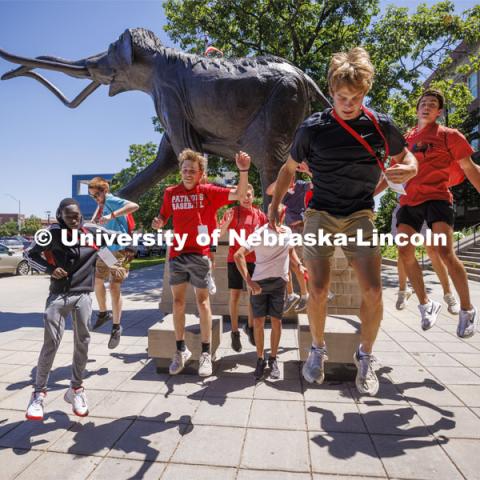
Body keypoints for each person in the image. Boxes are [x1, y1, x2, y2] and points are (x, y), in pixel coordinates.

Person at [269, 47, 417, 395]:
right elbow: (288, 169)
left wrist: (409, 168)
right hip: (320, 213)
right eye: (340, 96)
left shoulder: (381, 125)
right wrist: (274, 207)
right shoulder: (313, 127)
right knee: (317, 289)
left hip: (360, 215)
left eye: (354, 97)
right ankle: (317, 350)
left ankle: (365, 356)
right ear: (332, 92)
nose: (347, 103)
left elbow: (408, 158)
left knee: (374, 290)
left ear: (364, 94)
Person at [151, 148, 251, 377]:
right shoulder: (170, 193)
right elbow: (164, 216)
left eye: (192, 171)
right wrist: (158, 222)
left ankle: (205, 352)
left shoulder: (208, 191)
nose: (187, 174)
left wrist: (243, 170)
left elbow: (240, 194)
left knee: (202, 302)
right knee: (177, 303)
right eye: (184, 170)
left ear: (200, 173)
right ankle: (181, 349)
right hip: (177, 254)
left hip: (200, 254)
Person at [392, 90, 480, 336]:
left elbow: (470, 169)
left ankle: (467, 309)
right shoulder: (405, 139)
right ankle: (426, 303)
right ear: (417, 109)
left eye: (432, 104)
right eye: (423, 103)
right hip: (409, 201)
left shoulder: (448, 135)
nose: (427, 106)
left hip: (437, 198)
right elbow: (391, 173)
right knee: (404, 251)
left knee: (444, 252)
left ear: (439, 112)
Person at [23, 198, 107, 420]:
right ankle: (38, 394)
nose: (74, 219)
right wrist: (50, 269)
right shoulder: (50, 234)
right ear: (60, 216)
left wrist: (116, 265)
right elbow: (29, 255)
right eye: (69, 216)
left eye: (77, 215)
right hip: (58, 296)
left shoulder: (90, 233)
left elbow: (103, 251)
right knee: (51, 342)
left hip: (83, 296)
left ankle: (76, 389)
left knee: (83, 341)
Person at [234, 203, 303, 379]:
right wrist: (249, 281)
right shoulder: (260, 233)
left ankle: (273, 359)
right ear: (267, 215)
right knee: (258, 323)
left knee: (276, 323)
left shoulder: (287, 232)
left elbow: (291, 250)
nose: (276, 218)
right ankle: (259, 359)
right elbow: (238, 255)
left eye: (279, 215)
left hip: (279, 284)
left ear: (283, 215)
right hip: (260, 284)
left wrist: (300, 265)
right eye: (273, 215)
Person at [88, 177, 139, 349]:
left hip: (121, 250)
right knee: (97, 280)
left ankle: (116, 327)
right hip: (106, 249)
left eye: (96, 195)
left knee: (115, 286)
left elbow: (134, 206)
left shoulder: (110, 199)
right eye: (92, 196)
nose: (95, 198)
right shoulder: (100, 205)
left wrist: (112, 214)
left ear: (104, 191)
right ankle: (103, 313)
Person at [219, 184, 268, 351]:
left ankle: (250, 326)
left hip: (255, 260)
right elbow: (219, 233)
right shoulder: (232, 212)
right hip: (235, 260)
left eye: (249, 194)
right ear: (238, 197)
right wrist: (227, 223)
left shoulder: (260, 215)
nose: (246, 198)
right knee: (235, 296)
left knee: (253, 296)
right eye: (243, 195)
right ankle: (234, 332)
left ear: (253, 196)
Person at [389, 200, 459, 313]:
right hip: (404, 206)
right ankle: (403, 290)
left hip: (428, 204)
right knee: (403, 252)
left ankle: (448, 293)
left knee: (433, 251)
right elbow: (386, 181)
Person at [266, 162, 312, 313]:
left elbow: (316, 183)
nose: (290, 179)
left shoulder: (300, 185)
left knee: (298, 263)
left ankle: (306, 294)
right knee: (290, 263)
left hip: (300, 228)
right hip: (287, 229)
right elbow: (269, 191)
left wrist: (308, 171)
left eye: (291, 176)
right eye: (287, 176)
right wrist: (281, 178)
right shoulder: (281, 189)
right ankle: (296, 294)